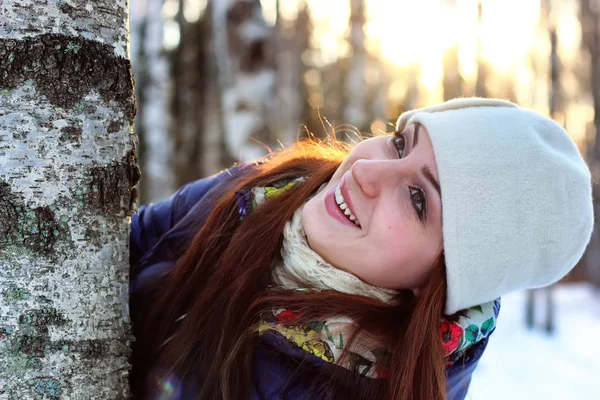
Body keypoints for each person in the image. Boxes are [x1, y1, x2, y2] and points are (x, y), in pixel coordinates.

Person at [128, 98, 593, 400]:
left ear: (439, 282)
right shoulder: (272, 192)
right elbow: (127, 246)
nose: (367, 172)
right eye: (398, 144)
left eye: (417, 199)